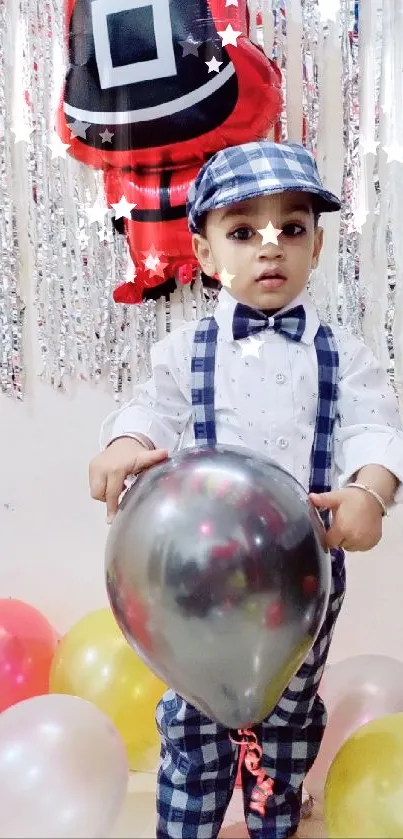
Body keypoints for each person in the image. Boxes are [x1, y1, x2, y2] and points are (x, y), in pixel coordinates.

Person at [89, 141, 403, 839]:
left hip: (303, 578)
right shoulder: (184, 350)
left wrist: (370, 492)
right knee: (193, 718)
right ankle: (187, 824)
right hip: (197, 583)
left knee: (287, 714)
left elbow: (374, 429)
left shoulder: (342, 356)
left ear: (316, 247)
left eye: (291, 229)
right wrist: (125, 442)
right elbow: (150, 408)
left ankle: (274, 818)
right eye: (242, 232)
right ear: (203, 255)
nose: (270, 248)